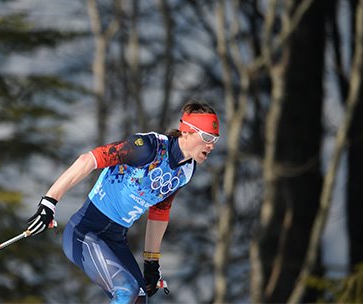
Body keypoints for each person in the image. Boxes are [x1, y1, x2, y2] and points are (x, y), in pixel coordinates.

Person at [26, 101, 220, 303]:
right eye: (207, 137)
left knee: (138, 299)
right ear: (187, 132)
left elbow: (160, 211)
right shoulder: (149, 148)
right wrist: (49, 201)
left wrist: (151, 262)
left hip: (115, 240)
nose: (211, 145)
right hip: (85, 232)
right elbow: (88, 160)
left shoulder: (186, 171)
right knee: (126, 291)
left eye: (215, 139)